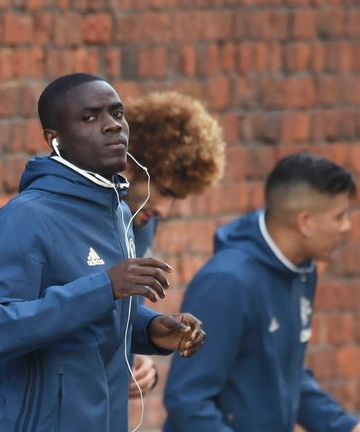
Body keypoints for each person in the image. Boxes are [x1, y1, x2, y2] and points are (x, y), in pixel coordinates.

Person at [0, 73, 206, 431]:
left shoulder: (119, 213)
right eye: (90, 117)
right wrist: (103, 287)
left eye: (117, 114)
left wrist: (151, 329)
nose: (112, 126)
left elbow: (91, 320)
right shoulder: (25, 218)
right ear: (54, 139)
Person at [163, 153, 360, 432]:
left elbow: (284, 375)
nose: (347, 227)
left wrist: (344, 426)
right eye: (340, 216)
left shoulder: (300, 271)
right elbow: (187, 400)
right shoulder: (227, 282)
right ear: (305, 222)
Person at [122, 91, 227, 399]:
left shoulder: (142, 223)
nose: (164, 211)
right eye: (164, 190)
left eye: (176, 198)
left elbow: (122, 316)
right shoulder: (66, 216)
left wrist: (141, 359)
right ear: (130, 165)